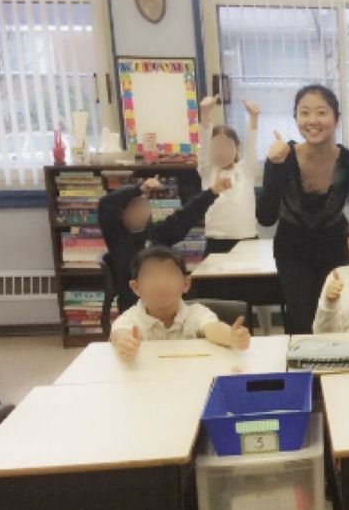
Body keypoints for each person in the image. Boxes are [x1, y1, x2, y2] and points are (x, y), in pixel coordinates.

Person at [256, 84, 349, 334]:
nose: (312, 120)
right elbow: (266, 218)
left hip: (335, 249)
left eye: (321, 112)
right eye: (304, 113)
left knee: (335, 319)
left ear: (336, 119)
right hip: (292, 251)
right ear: (295, 119)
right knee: (302, 323)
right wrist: (275, 165)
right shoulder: (282, 156)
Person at [99, 173, 230, 312]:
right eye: (134, 206)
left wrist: (213, 191)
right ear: (121, 213)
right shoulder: (117, 236)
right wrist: (140, 189)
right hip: (136, 307)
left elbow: (186, 216)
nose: (140, 211)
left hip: (168, 301)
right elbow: (106, 204)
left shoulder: (156, 233)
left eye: (143, 204)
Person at [109, 245, 250, 359]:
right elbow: (119, 332)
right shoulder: (131, 318)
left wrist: (230, 337)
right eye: (151, 276)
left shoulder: (196, 312)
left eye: (169, 275)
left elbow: (213, 328)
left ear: (186, 284)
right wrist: (124, 342)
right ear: (136, 287)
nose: (161, 283)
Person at [198, 94, 260, 255]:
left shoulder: (245, 169)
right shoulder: (208, 170)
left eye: (227, 146)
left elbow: (251, 147)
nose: (221, 151)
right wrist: (205, 113)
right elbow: (203, 141)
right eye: (216, 146)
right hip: (215, 240)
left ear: (237, 148)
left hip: (246, 238)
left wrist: (253, 118)